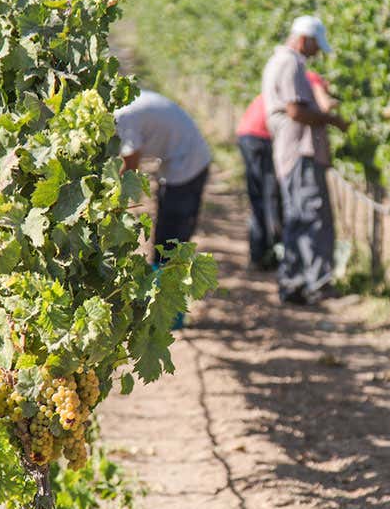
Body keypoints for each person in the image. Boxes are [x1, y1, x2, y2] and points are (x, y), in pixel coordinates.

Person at [261, 15, 349, 305]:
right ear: (302, 39)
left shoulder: (283, 61)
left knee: (299, 215)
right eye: (314, 46)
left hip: (293, 151)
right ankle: (315, 283)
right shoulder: (290, 63)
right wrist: (332, 120)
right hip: (299, 150)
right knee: (310, 214)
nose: (316, 53)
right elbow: (296, 111)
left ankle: (296, 282)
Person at [236, 68, 334, 270]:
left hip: (247, 133)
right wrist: (336, 116)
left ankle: (261, 253)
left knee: (260, 196)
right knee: (270, 197)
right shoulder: (311, 79)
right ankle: (271, 255)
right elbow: (325, 106)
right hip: (260, 137)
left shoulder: (291, 80)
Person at [114, 90, 212, 265]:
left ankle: (164, 279)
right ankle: (162, 272)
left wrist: (115, 196)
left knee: (173, 229)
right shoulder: (125, 104)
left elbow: (131, 163)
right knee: (168, 226)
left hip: (187, 162)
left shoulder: (122, 116)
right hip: (182, 157)